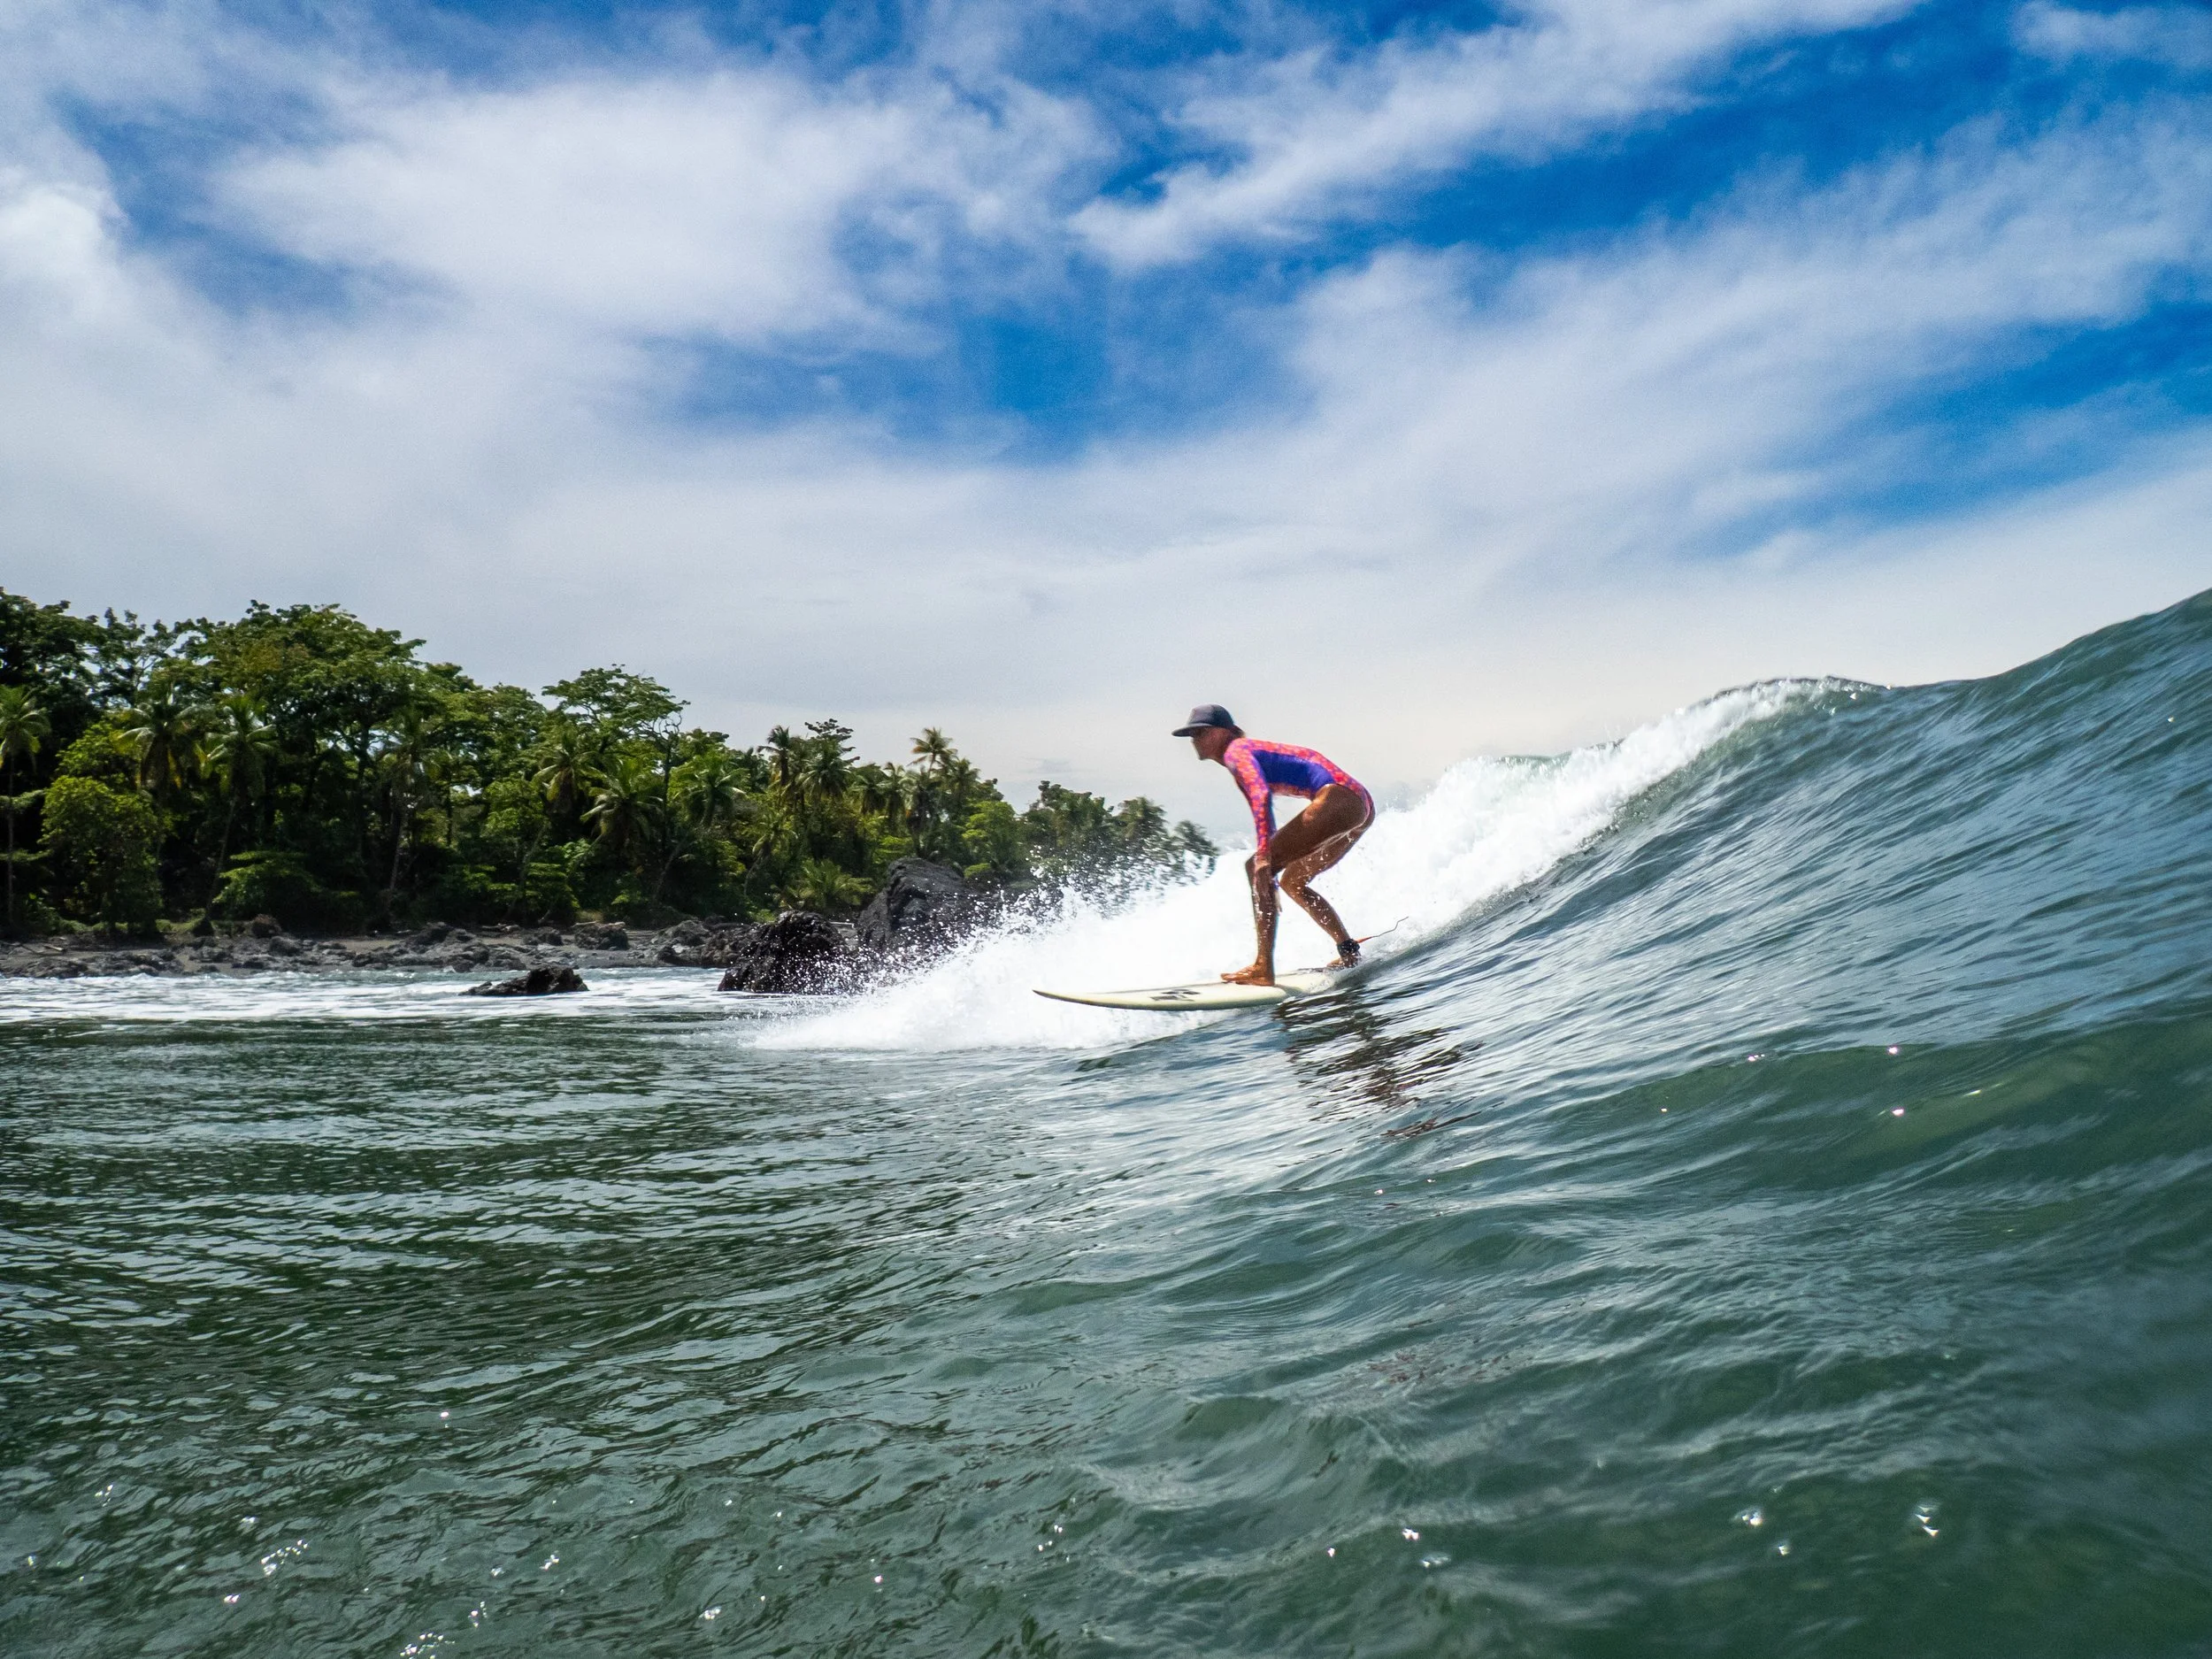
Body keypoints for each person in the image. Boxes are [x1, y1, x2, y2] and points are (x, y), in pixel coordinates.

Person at [1171, 703, 1372, 986]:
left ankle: (1263, 966)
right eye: (1192, 735)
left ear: (1224, 732)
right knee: (1293, 882)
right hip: (1358, 802)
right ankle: (1348, 950)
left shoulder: (1236, 752)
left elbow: (1260, 794)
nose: (1195, 740)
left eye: (1201, 732)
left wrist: (1265, 857)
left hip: (1338, 800)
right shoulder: (1246, 752)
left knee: (1255, 867)